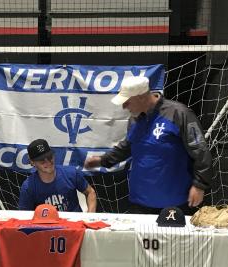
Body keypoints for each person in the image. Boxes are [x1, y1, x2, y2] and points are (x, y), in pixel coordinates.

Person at [84, 76, 212, 215]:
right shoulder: (134, 119)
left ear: (141, 97)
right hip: (139, 202)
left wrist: (199, 185)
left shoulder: (179, 114)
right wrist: (102, 160)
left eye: (127, 102)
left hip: (174, 202)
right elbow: (127, 147)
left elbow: (201, 152)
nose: (124, 106)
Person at [19, 139, 97, 212]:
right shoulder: (28, 186)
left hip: (74, 223)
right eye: (42, 160)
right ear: (32, 162)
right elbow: (25, 215)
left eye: (49, 157)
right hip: (46, 225)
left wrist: (89, 217)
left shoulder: (71, 173)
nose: (48, 161)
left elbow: (90, 192)